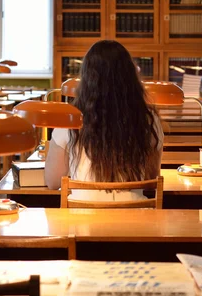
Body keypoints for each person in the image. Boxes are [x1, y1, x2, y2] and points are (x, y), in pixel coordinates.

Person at [44, 40, 163, 201]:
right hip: (134, 219)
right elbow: (152, 177)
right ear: (130, 77)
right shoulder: (148, 119)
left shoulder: (70, 118)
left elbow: (52, 181)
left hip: (81, 221)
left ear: (86, 78)